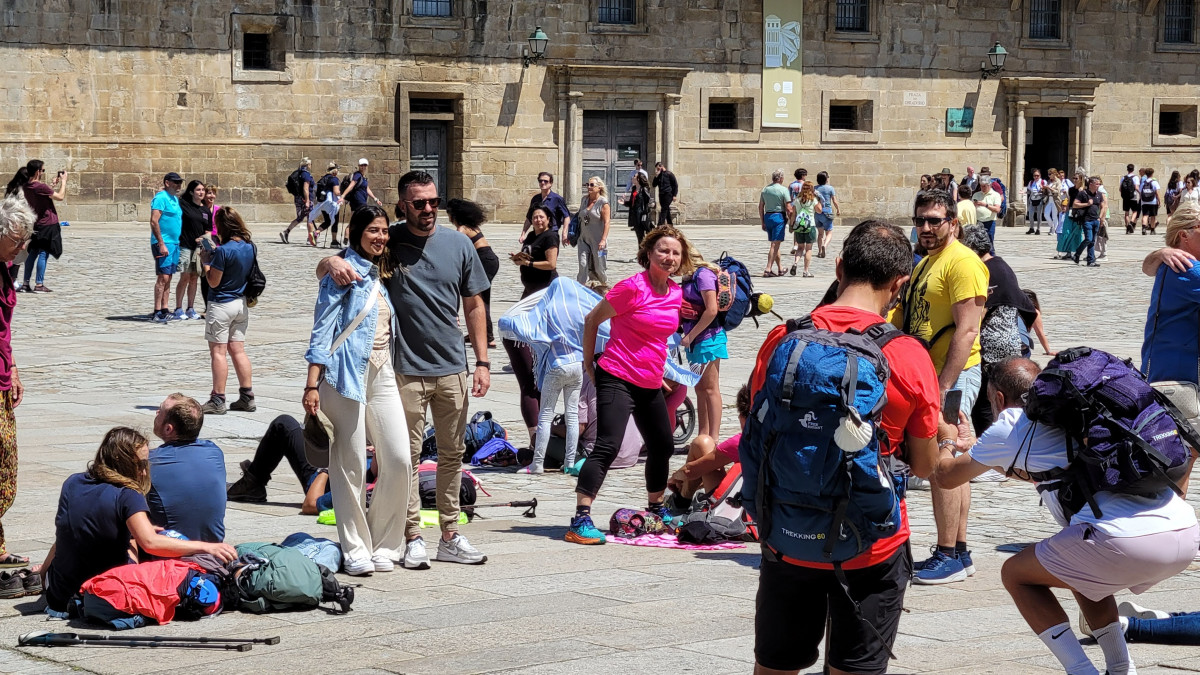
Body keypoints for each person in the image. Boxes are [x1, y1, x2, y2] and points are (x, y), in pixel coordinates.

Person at [748, 220, 941, 675]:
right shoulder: (908, 356)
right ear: (900, 285)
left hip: (787, 536)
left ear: (838, 266)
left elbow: (760, 425)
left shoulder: (783, 340)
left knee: (774, 668)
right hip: (871, 545)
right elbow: (926, 465)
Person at [936, 357, 1198, 675]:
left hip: (1126, 540)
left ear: (998, 399)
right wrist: (977, 448)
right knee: (1079, 573)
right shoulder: (1077, 412)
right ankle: (1122, 668)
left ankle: (1080, 671)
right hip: (1183, 532)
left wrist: (947, 439)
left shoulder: (1011, 424)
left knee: (1016, 574)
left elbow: (946, 476)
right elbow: (1040, 468)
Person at [317, 170, 490, 568]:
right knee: (404, 458)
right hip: (403, 370)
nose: (428, 209)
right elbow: (339, 264)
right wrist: (328, 260)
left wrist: (481, 361)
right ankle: (411, 536)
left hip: (452, 366)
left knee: (452, 454)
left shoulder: (459, 244)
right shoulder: (387, 239)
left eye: (433, 201)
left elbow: (475, 304)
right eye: (419, 203)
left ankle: (450, 534)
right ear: (402, 206)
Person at [566, 226, 695, 545]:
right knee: (608, 445)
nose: (670, 257)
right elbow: (592, 320)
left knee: (663, 446)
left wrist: (665, 374)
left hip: (649, 381)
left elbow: (658, 339)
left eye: (676, 253)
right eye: (663, 251)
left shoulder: (675, 293)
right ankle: (580, 520)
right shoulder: (631, 288)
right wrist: (588, 363)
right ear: (649, 254)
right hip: (617, 375)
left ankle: (656, 508)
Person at [304, 205, 412, 576]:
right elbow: (322, 329)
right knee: (348, 464)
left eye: (384, 231)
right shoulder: (342, 271)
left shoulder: (382, 272)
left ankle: (385, 543)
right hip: (343, 374)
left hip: (382, 372)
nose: (380, 237)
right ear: (357, 232)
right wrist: (311, 382)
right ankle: (355, 547)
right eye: (373, 231)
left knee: (399, 458)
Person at [893, 188, 988, 585]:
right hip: (929, 374)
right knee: (951, 462)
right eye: (920, 220)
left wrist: (943, 385)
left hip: (951, 375)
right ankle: (959, 550)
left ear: (954, 221)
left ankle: (947, 553)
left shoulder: (962, 263)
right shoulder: (928, 260)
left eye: (935, 220)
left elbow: (967, 330)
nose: (926, 228)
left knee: (941, 460)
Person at [40, 427, 238, 614]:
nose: (144, 471)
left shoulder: (73, 482)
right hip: (100, 593)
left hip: (58, 595)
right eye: (140, 464)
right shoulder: (127, 494)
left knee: (82, 528)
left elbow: (68, 531)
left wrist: (43, 571)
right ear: (120, 460)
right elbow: (150, 543)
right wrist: (206, 547)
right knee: (137, 542)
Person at [960, 225, 1038, 432]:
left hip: (993, 346)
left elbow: (981, 310)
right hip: (1008, 341)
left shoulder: (987, 270)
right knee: (1003, 399)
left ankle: (992, 439)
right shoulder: (1001, 265)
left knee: (986, 402)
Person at [506, 206, 559, 447]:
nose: (538, 220)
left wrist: (528, 263)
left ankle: (539, 356)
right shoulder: (531, 236)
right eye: (535, 217)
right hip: (530, 293)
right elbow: (527, 259)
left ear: (548, 220)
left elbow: (550, 263)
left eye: (541, 217)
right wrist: (519, 259)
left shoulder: (550, 237)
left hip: (544, 294)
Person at [199, 207, 256, 415]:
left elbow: (214, 282)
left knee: (218, 352)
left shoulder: (223, 251)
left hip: (221, 304)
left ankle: (218, 398)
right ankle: (247, 396)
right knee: (238, 350)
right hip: (240, 304)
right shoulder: (250, 246)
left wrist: (206, 262)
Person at [147, 394, 225, 543]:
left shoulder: (150, 462)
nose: (156, 412)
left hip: (170, 552)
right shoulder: (214, 452)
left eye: (160, 411)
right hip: (214, 551)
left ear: (168, 429)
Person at [0, 196, 30, 568]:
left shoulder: (4, 267)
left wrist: (15, 366)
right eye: (18, 240)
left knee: (5, 463)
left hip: (2, 375)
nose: (24, 247)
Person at [226, 415, 330, 514]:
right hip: (333, 465)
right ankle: (252, 481)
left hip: (322, 482)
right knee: (285, 423)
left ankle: (251, 484)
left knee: (283, 425)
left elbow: (311, 505)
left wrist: (326, 469)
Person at [667, 384, 750, 500]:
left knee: (702, 443)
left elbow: (690, 471)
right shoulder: (778, 436)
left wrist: (674, 478)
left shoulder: (742, 441)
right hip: (774, 505)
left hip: (739, 505)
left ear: (742, 417)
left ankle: (681, 500)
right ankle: (684, 496)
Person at [680, 252, 727, 441]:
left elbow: (712, 310)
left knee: (710, 388)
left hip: (709, 339)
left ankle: (713, 438)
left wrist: (691, 335)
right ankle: (702, 436)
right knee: (699, 388)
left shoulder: (703, 275)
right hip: (695, 342)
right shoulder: (689, 277)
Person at [5, 160, 65, 294]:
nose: (43, 173)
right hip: (48, 223)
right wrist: (64, 181)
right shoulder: (40, 186)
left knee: (32, 254)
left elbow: (42, 195)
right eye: (43, 170)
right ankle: (39, 284)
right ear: (38, 171)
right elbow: (60, 197)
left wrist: (52, 185)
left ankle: (26, 283)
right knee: (43, 253)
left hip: (36, 223)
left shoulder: (27, 186)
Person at [449, 198, 499, 348]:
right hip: (489, 259)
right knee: (483, 297)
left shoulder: (462, 229)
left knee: (479, 299)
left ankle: (488, 337)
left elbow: (456, 248)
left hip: (484, 260)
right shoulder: (472, 226)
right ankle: (479, 333)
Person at [149, 172, 184, 323]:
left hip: (175, 243)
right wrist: (161, 243)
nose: (178, 185)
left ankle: (165, 308)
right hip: (164, 243)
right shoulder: (160, 198)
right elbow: (154, 221)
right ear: (167, 183)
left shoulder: (175, 199)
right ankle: (157, 310)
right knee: (162, 277)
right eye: (175, 182)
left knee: (169, 276)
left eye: (179, 182)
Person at [173, 180, 208, 320]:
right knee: (185, 276)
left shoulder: (205, 210)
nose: (201, 192)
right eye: (198, 190)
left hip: (199, 249)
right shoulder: (183, 205)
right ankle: (178, 308)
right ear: (192, 192)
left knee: (195, 278)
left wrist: (205, 240)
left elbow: (208, 230)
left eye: (203, 190)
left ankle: (190, 308)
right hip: (185, 245)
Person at [575, 176, 610, 289]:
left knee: (600, 267)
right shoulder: (584, 200)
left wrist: (603, 240)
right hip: (583, 239)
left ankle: (604, 287)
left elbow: (607, 222)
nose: (588, 187)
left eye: (591, 185)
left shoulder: (603, 203)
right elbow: (581, 217)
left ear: (599, 187)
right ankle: (581, 288)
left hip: (598, 241)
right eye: (587, 185)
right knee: (583, 264)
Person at [522, 171, 572, 241]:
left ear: (551, 183)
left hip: (551, 234)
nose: (542, 183)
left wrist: (564, 233)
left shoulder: (557, 199)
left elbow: (566, 217)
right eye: (540, 181)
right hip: (537, 233)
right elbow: (529, 218)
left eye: (545, 181)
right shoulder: (535, 199)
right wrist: (523, 234)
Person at [304, 163, 343, 247]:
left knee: (327, 221)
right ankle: (334, 241)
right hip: (332, 204)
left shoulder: (323, 178)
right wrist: (344, 193)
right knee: (334, 221)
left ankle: (316, 233)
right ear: (335, 171)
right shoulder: (334, 179)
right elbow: (336, 192)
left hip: (323, 203)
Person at [759, 169, 789, 277]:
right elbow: (788, 207)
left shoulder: (765, 190)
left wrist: (762, 221)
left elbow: (761, 207)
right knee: (774, 244)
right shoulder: (784, 190)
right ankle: (768, 269)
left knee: (775, 244)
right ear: (781, 178)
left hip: (768, 217)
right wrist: (791, 220)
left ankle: (780, 268)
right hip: (778, 217)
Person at [788, 181, 821, 277]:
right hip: (810, 225)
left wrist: (791, 225)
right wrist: (819, 200)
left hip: (799, 226)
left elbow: (793, 214)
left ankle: (795, 263)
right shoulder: (813, 200)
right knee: (808, 248)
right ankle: (806, 271)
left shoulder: (797, 200)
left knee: (800, 247)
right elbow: (819, 211)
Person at [342, 158, 385, 229]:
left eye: (365, 165)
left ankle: (346, 239)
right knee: (366, 219)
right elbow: (351, 186)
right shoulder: (357, 175)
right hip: (359, 201)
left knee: (353, 222)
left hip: (357, 202)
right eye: (362, 165)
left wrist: (376, 199)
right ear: (359, 166)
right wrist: (342, 196)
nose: (363, 167)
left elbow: (367, 189)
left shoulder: (363, 177)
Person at [1071, 175, 1105, 267]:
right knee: (1088, 239)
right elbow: (1075, 205)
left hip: (1096, 220)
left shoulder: (1099, 194)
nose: (1098, 185)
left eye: (1099, 184)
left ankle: (1090, 260)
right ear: (1091, 184)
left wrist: (1100, 217)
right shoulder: (1083, 193)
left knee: (1092, 241)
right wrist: (1087, 204)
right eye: (1097, 184)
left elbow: (1103, 206)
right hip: (1087, 220)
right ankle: (1077, 254)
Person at [282, 158, 315, 244]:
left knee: (300, 218)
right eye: (310, 164)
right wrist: (307, 201)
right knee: (310, 218)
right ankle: (310, 239)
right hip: (306, 199)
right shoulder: (306, 175)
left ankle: (286, 231)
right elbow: (306, 188)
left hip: (297, 198)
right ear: (308, 165)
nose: (311, 166)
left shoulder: (297, 173)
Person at [814, 170, 841, 259]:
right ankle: (824, 246)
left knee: (820, 234)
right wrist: (838, 209)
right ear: (826, 179)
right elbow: (834, 201)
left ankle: (819, 251)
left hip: (817, 213)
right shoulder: (830, 188)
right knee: (829, 232)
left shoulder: (814, 188)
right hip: (827, 212)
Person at [972, 178, 1002, 251]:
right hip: (978, 221)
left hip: (989, 222)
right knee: (977, 243)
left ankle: (991, 259)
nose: (983, 188)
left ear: (990, 185)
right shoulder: (976, 194)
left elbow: (997, 209)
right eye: (981, 186)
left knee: (989, 243)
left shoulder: (995, 195)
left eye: (984, 186)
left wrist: (985, 205)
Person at [625, 172, 653, 244]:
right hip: (635, 215)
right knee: (639, 236)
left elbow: (650, 201)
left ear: (638, 179)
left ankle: (644, 253)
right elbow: (632, 203)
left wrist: (649, 208)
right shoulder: (634, 189)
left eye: (634, 176)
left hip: (641, 215)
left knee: (643, 236)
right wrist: (624, 202)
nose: (632, 177)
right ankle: (641, 253)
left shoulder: (644, 189)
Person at [652, 162, 678, 226]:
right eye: (657, 169)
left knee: (664, 209)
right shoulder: (658, 176)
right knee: (666, 209)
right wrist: (656, 176)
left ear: (661, 166)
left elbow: (675, 185)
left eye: (658, 168)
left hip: (668, 194)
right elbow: (654, 185)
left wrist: (674, 195)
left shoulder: (669, 174)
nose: (658, 170)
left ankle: (660, 224)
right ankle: (670, 224)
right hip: (661, 194)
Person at [1139, 167, 1162, 235]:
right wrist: (1159, 200)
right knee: (1153, 216)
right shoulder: (1154, 182)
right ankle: (1152, 230)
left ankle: (1143, 228)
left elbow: (1140, 192)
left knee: (1145, 215)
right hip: (1153, 201)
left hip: (1144, 201)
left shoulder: (1143, 183)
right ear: (1152, 174)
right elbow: (1157, 192)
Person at [1121, 163, 1141, 234]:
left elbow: (1120, 189)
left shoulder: (1124, 177)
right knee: (1135, 211)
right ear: (1133, 169)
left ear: (1127, 169)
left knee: (1126, 213)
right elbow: (1136, 187)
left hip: (1125, 198)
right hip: (1133, 197)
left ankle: (1127, 227)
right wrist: (1140, 193)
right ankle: (1131, 222)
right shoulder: (1135, 177)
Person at [1025, 169, 1047, 235]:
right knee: (1030, 215)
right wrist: (1024, 192)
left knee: (1038, 215)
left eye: (1037, 175)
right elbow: (1029, 190)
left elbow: (1046, 192)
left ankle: (1038, 229)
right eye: (1035, 176)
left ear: (1040, 176)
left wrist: (1042, 188)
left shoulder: (1043, 182)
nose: (1036, 177)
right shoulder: (1031, 182)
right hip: (1032, 200)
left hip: (1039, 200)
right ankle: (1031, 228)